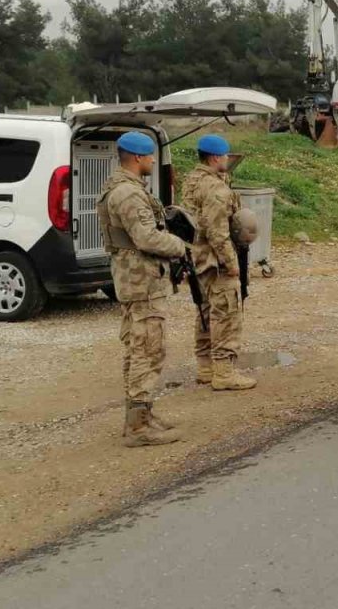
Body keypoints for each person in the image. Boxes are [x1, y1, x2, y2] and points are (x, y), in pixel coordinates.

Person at [97, 131, 188, 447]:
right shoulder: (129, 194)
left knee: (141, 346)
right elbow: (146, 238)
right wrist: (180, 246)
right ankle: (138, 427)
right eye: (150, 156)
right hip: (141, 282)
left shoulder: (121, 187)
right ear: (137, 157)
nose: (152, 160)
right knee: (147, 348)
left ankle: (142, 415)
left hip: (135, 279)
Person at [180, 134, 256, 391]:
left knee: (205, 313)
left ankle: (205, 368)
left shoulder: (192, 180)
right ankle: (224, 373)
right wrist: (231, 263)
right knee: (226, 314)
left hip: (198, 259)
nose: (226, 159)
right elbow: (217, 232)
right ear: (215, 158)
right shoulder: (215, 189)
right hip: (215, 262)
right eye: (224, 155)